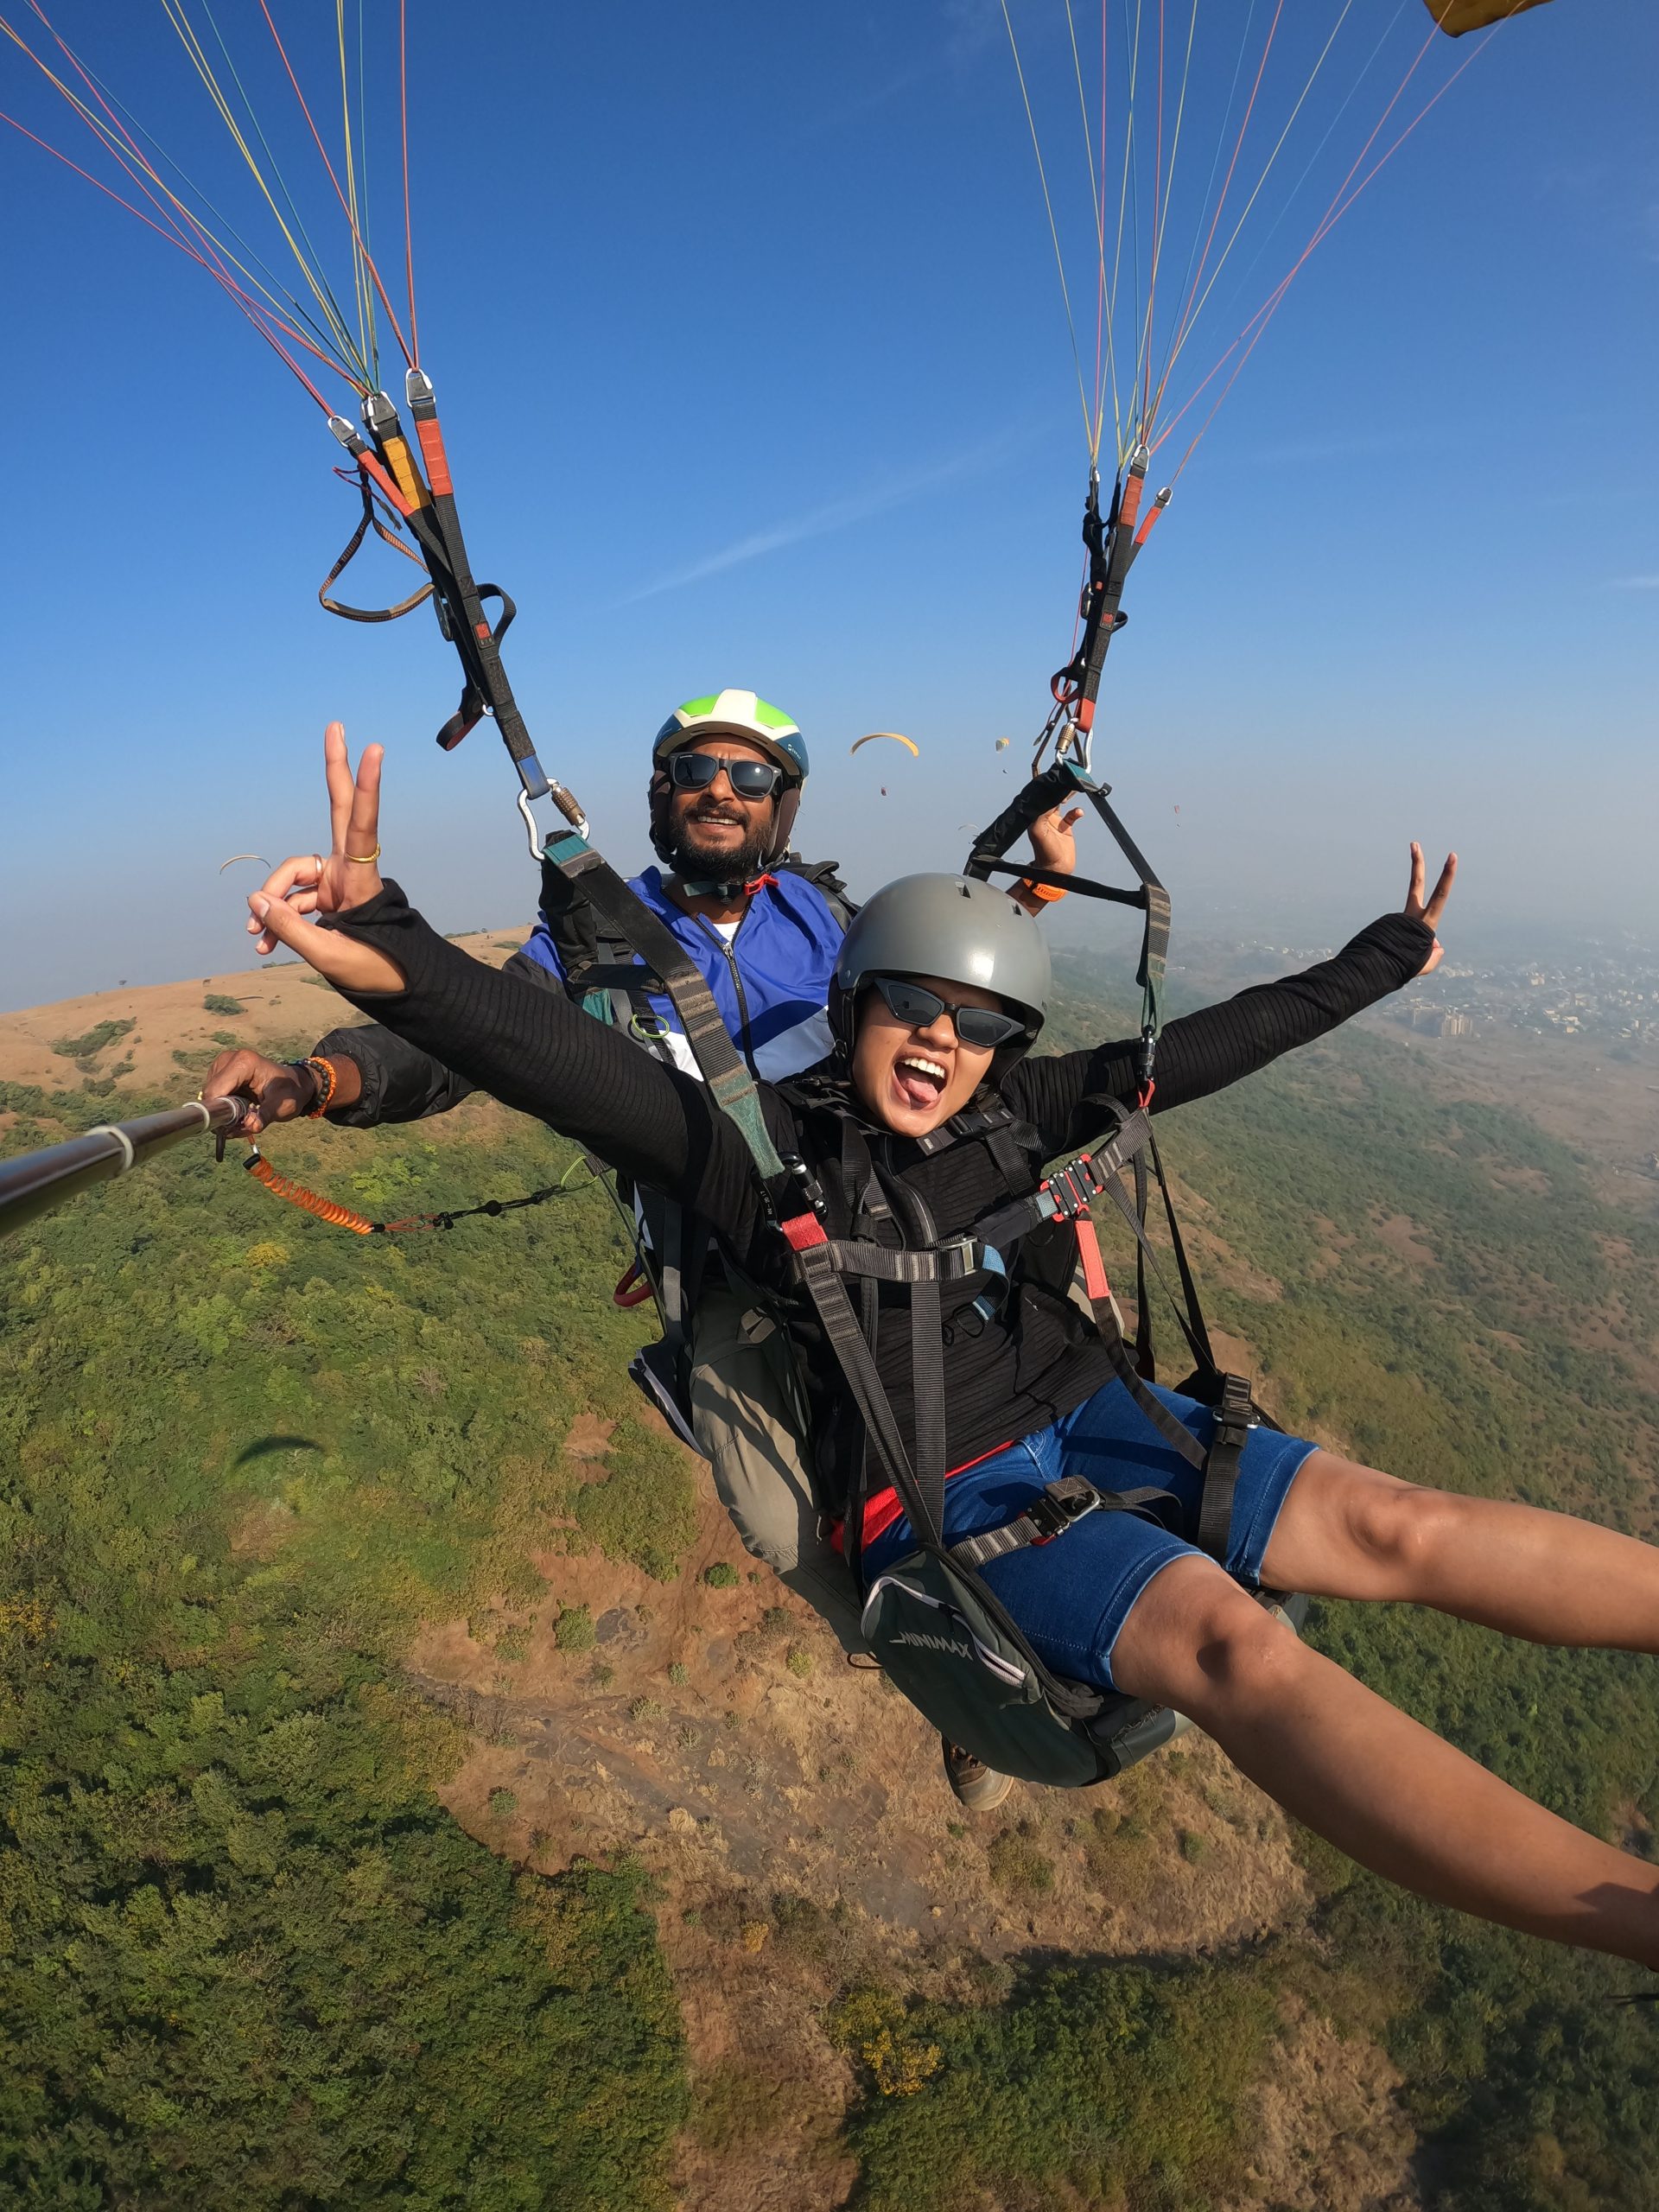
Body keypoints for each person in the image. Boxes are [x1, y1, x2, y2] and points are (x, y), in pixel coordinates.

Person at [226, 734, 1659, 1974]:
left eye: (977, 1028)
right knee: (1232, 1650)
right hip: (950, 1498)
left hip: (1104, 1412)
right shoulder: (761, 1157)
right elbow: (571, 1069)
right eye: (913, 1006)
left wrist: (1385, 956)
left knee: (1394, 1519)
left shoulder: (1019, 1111)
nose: (940, 1043)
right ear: (857, 1008)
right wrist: (400, 955)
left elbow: (1213, 1046)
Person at [206, 703, 1080, 1731]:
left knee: (1030, 1355)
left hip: (881, 1225)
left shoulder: (826, 918)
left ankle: (1083, 1576)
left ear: (782, 805)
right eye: (699, 769)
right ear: (664, 796)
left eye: (751, 778)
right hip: (734, 1263)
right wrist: (319, 1078)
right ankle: (936, 1677)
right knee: (770, 1511)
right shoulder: (593, 943)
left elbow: (939, 987)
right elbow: (468, 1041)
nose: (723, 789)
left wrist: (1037, 888)